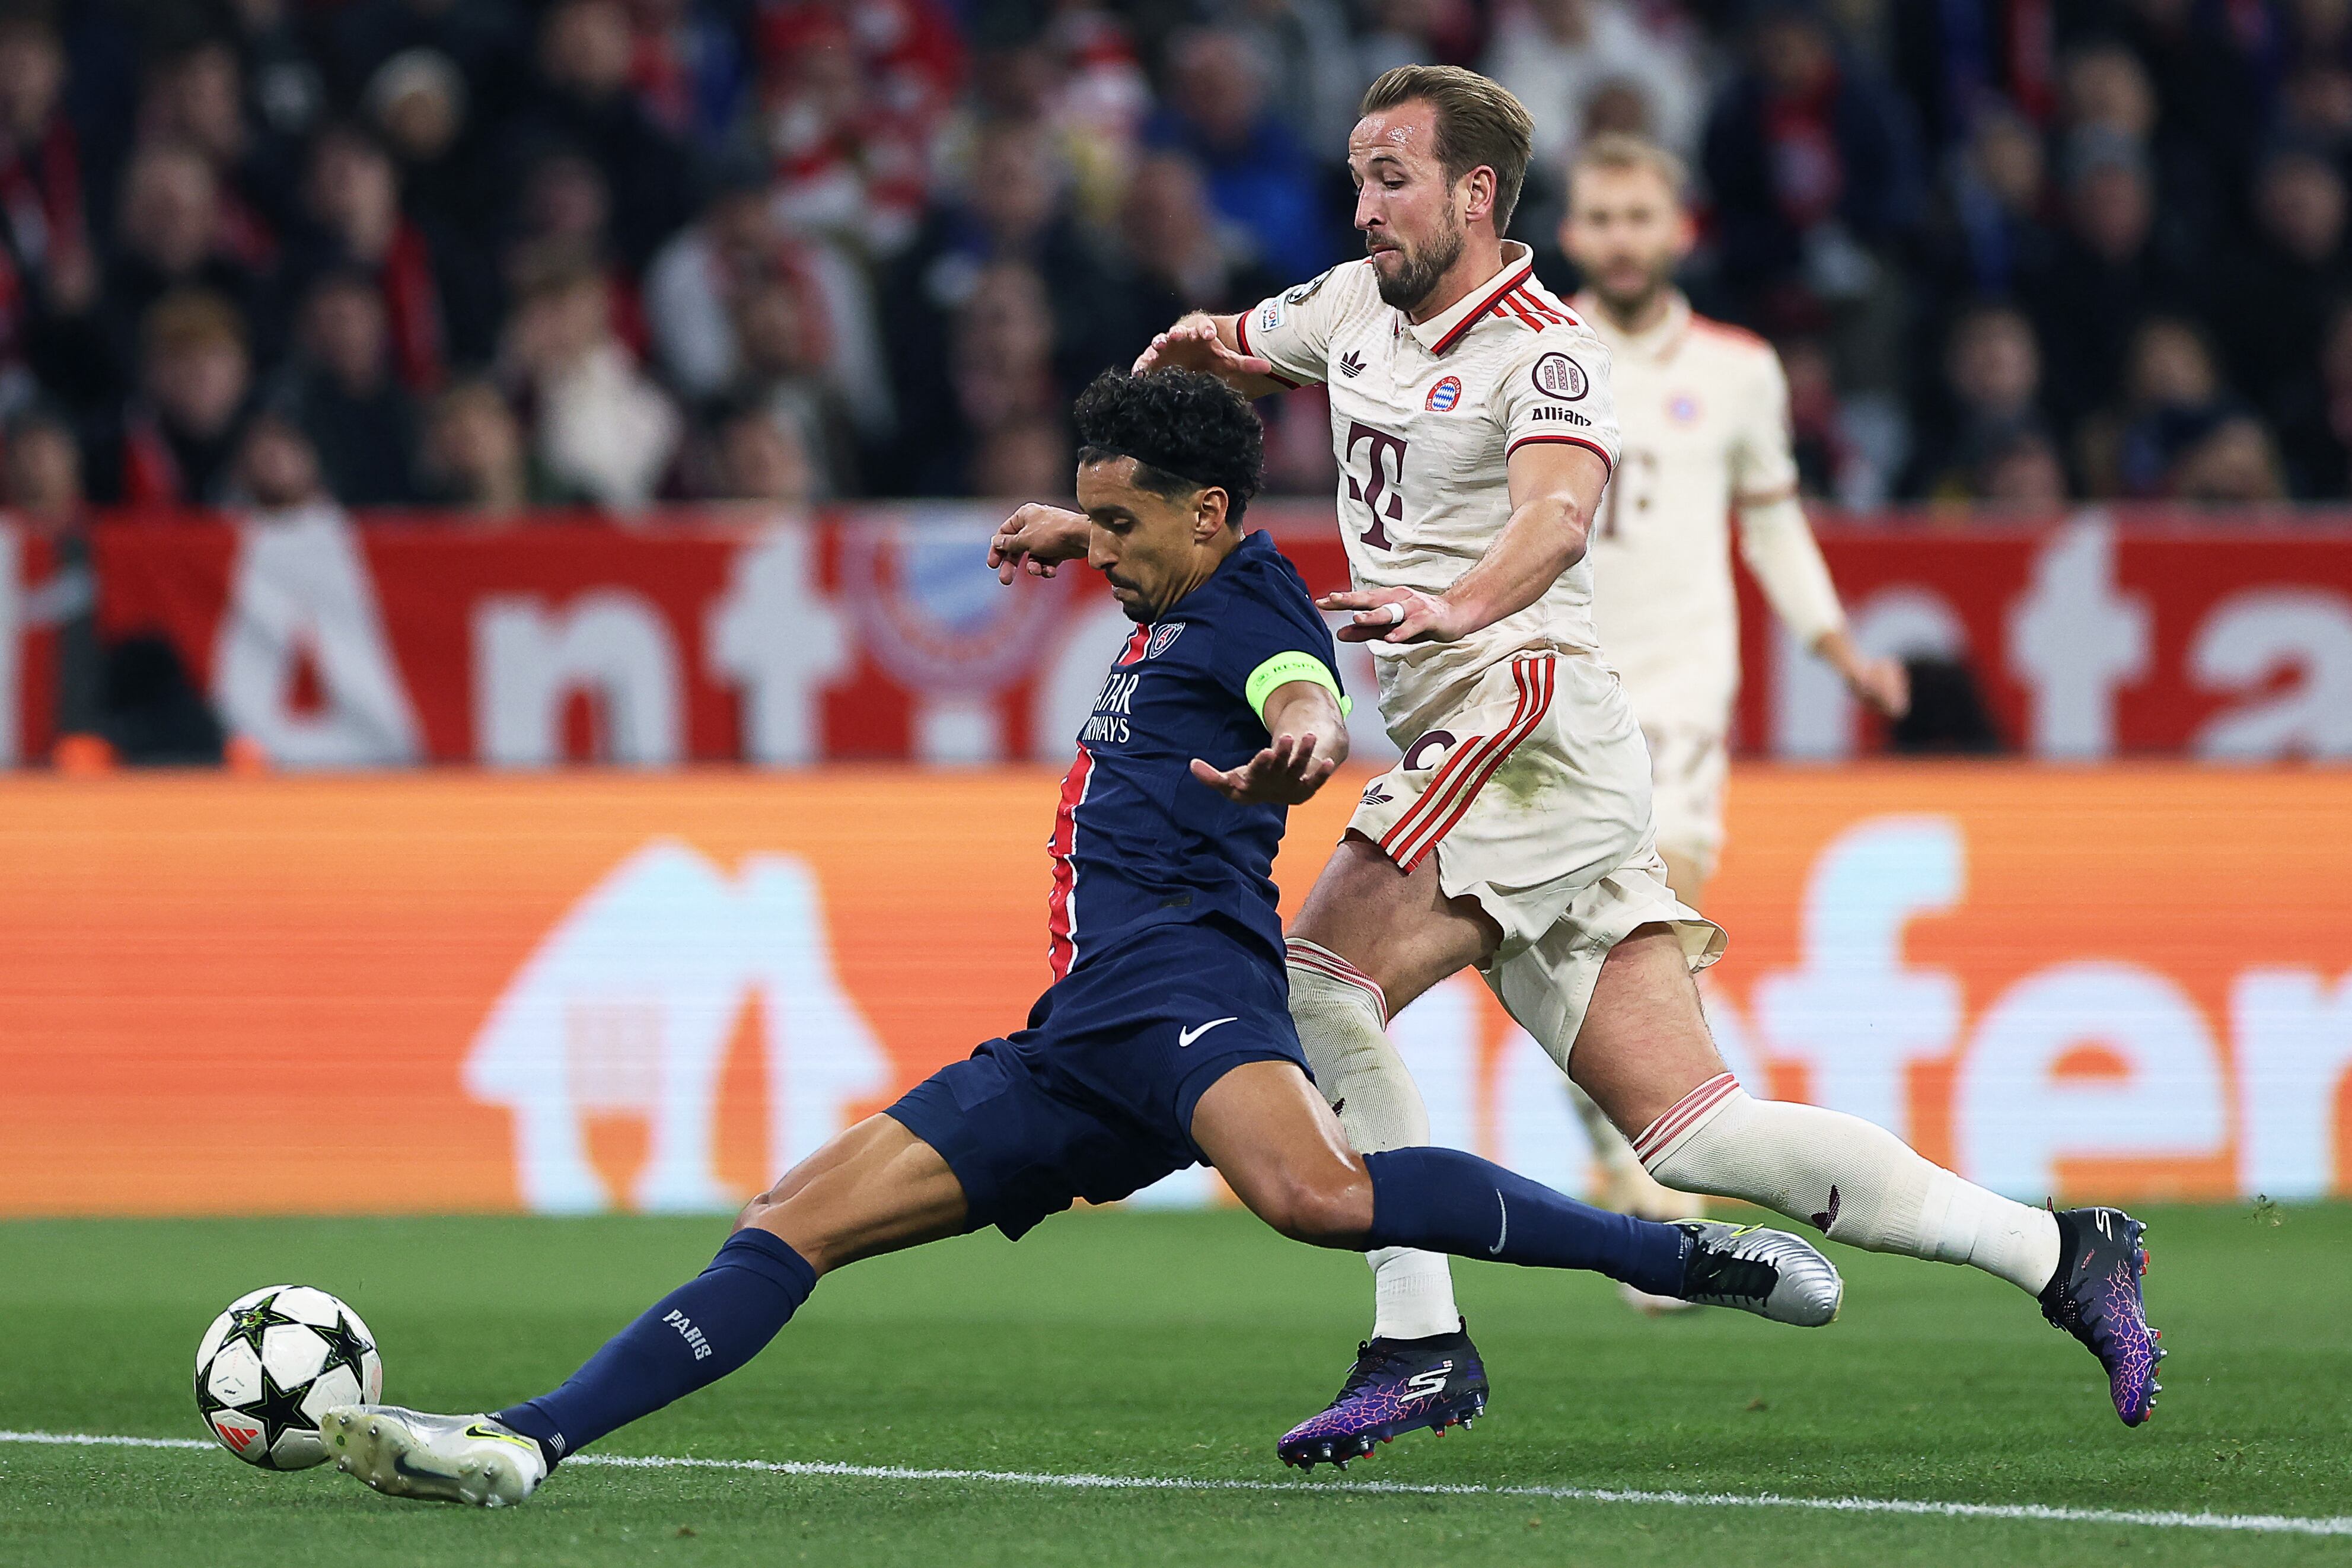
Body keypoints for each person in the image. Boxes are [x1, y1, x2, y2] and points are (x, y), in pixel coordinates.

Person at [314, 368, 1841, 1508]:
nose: (1100, 551)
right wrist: (1070, 523)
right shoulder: (1180, 579)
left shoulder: (1255, 622)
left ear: (1211, 515)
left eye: (1124, 524)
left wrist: (1306, 743)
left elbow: (1300, 695)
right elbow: (1151, 541)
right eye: (1089, 517)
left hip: (1187, 983)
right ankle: (525, 1439)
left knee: (1316, 1196)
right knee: (794, 1213)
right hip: (1079, 1033)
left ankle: (1679, 1251)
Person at [1079, 65, 2157, 1468]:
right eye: (1355, 175)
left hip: (1518, 718)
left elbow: (1560, 512)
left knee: (1318, 984)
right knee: (1694, 1130)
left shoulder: (1548, 352)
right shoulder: (1351, 304)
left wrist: (1459, 604)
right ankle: (2062, 1248)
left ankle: (1420, 1340)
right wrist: (1172, 370)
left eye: (1390, 177)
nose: (1363, 205)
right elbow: (1229, 340)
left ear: (1475, 194)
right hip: (1534, 758)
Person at [1555, 132, 1909, 1301]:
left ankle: (1665, 1202)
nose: (1618, 237)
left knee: (1651, 928)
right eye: (1599, 217)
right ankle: (1641, 1157)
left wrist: (1837, 643)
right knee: (1558, 948)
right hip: (1554, 686)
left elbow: (1772, 522)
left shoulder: (1742, 368)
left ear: (1680, 229)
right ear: (1572, 233)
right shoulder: (1531, 348)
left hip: (1680, 696)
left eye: (1637, 216)